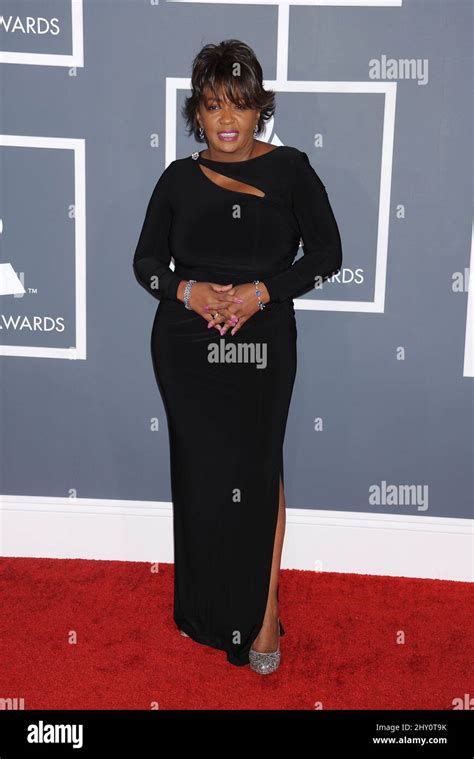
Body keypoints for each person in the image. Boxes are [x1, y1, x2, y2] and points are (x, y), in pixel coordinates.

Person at [133, 39, 342, 674]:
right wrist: (188, 291)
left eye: (240, 105)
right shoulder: (176, 178)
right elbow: (144, 264)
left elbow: (328, 257)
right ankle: (208, 612)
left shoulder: (293, 171)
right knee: (200, 477)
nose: (227, 119)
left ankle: (265, 611)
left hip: (261, 340)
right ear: (198, 111)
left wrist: (261, 293)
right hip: (186, 343)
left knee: (257, 470)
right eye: (214, 105)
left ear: (260, 111)